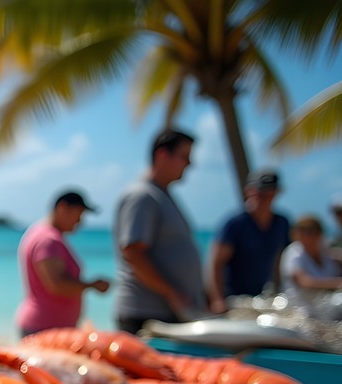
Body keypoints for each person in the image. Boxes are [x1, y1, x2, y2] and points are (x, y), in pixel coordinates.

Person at [112, 129, 207, 334]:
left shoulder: (160, 195)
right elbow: (133, 253)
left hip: (163, 315)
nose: (190, 164)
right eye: (184, 156)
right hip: (146, 317)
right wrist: (172, 293)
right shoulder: (142, 195)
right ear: (162, 155)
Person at [14, 189, 110, 336]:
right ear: (62, 208)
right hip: (45, 327)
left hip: (46, 325)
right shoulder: (48, 239)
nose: (79, 222)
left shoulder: (39, 232)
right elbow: (57, 285)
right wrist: (92, 285)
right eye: (79, 215)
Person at [206, 169, 290, 313]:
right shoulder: (235, 224)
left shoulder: (281, 223)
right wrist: (217, 300)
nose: (264, 199)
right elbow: (215, 263)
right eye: (260, 194)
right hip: (232, 299)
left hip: (261, 298)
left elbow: (284, 259)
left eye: (269, 194)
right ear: (249, 191)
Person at [280, 216, 342, 309]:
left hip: (326, 306)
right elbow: (305, 282)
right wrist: (337, 283)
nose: (311, 236)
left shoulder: (325, 253)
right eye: (306, 232)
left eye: (314, 231)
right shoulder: (294, 253)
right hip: (301, 309)